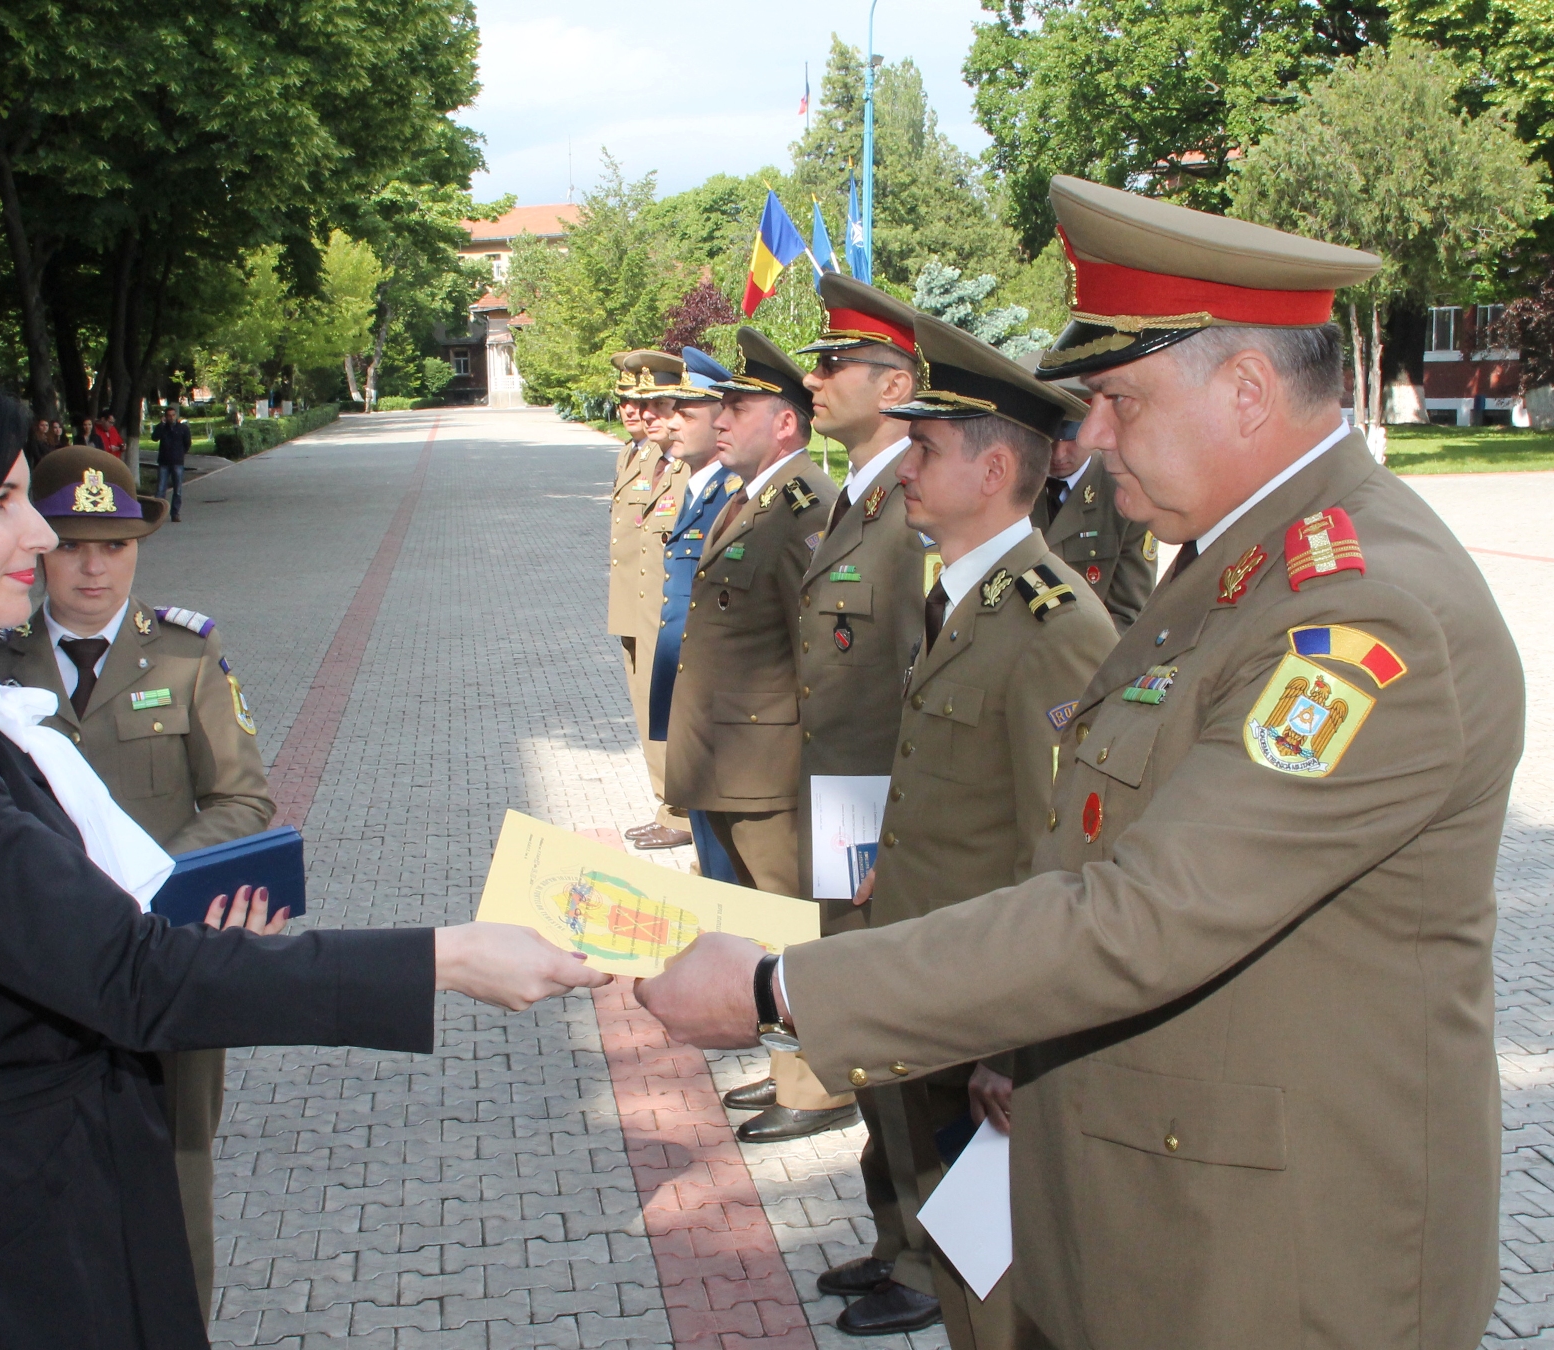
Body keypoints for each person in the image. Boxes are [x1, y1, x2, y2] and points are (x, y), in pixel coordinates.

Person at [633, 177, 1521, 1350]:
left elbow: (1145, 913)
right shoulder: (1228, 565)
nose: (1086, 438)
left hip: (1272, 1251)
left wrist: (779, 990)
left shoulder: (1359, 610)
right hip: (1153, 1186)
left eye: (1114, 400)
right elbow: (1091, 830)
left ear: (1246, 392)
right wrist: (1015, 1042)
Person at [0, 362, 610, 1347]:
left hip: (28, 1190)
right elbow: (124, 973)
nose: (41, 535)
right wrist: (444, 958)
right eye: (1, 501)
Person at [829, 315, 1117, 1344]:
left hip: (984, 1009)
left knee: (998, 1290)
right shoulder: (962, 597)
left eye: (925, 448)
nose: (902, 465)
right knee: (955, 1271)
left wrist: (1018, 1036)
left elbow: (1068, 845)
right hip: (929, 978)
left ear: (994, 469)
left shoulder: (1052, 624)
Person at [0, 444, 271, 1321]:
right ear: (37, 550)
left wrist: (147, 884)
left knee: (176, 1172)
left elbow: (241, 799)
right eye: (70, 545)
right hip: (37, 970)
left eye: (115, 546)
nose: (92, 567)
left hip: (166, 957)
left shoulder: (185, 654)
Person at [724, 278, 936, 1150]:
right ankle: (895, 1241)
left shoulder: (913, 509)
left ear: (894, 386)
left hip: (881, 805)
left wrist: (901, 826)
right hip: (839, 794)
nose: (814, 382)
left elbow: (924, 675)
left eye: (836, 364)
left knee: (895, 1029)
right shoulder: (860, 496)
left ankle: (915, 1254)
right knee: (853, 999)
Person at [664, 328, 838, 1134]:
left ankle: (818, 1088)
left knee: (792, 923)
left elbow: (824, 649)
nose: (720, 419)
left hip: (773, 762)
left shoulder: (803, 506)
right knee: (768, 925)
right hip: (738, 758)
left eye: (740, 406)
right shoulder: (754, 495)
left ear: (788, 424)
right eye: (720, 405)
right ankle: (784, 1070)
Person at [644, 347, 739, 875]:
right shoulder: (698, 487)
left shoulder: (729, 492)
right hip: (689, 689)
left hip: (715, 702)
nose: (671, 423)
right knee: (708, 845)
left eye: (687, 412)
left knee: (723, 854)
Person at [606, 351, 691, 847]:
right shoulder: (633, 455)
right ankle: (666, 804)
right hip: (634, 610)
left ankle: (679, 812)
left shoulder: (684, 466)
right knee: (647, 713)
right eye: (628, 402)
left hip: (665, 614)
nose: (636, 412)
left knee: (670, 713)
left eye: (650, 403)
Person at [1022, 357, 1156, 630]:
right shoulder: (1014, 485)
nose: (1059, 454)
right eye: (1049, 440)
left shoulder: (1125, 494)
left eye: (1071, 439)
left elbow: (1128, 612)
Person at [155, 405, 193, 522]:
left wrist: (181, 454)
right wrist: (161, 424)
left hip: (177, 462)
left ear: (176, 416)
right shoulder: (162, 428)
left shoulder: (182, 428)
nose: (171, 418)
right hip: (164, 462)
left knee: (177, 490)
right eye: (168, 416)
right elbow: (154, 437)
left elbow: (187, 443)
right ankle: (158, 513)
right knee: (161, 489)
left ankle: (175, 513)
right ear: (165, 417)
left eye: (173, 415)